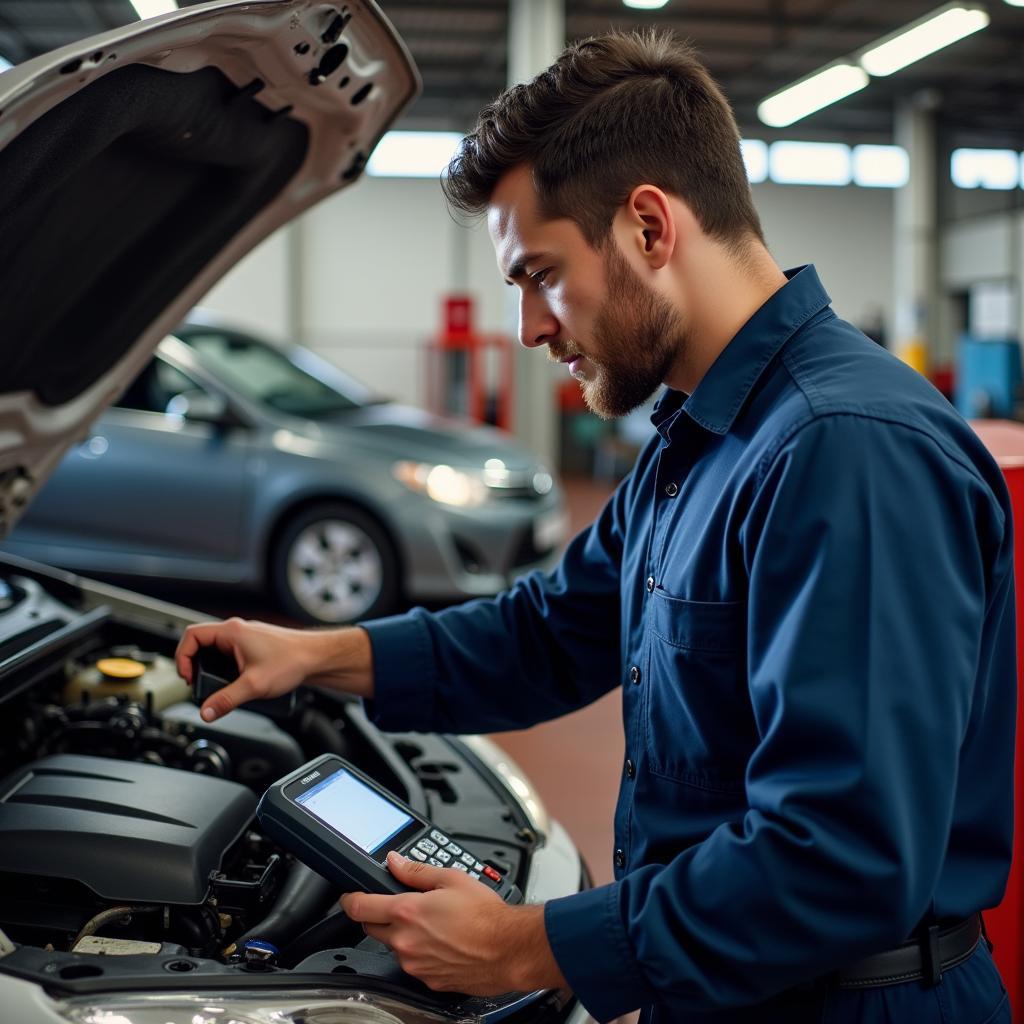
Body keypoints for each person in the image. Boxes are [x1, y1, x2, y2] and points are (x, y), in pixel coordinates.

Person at [175, 31, 1016, 1024]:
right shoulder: (696, 436)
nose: (530, 326)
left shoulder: (844, 451)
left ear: (649, 227)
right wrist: (315, 654)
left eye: (538, 274)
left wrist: (529, 946)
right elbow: (549, 631)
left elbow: (845, 851)